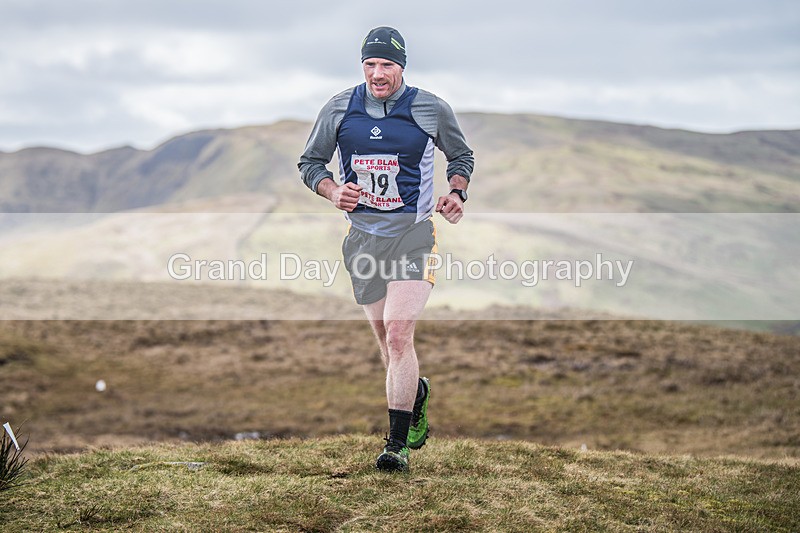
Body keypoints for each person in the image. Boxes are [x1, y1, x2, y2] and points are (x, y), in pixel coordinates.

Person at [298, 26, 474, 472]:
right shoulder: (339, 107)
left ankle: (394, 446)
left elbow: (461, 157)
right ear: (363, 66)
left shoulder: (430, 108)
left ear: (402, 68)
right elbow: (310, 163)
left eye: (387, 65)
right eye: (371, 64)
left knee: (398, 333)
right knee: (385, 341)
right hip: (361, 239)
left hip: (413, 234)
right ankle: (414, 393)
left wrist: (457, 192)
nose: (378, 73)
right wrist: (331, 190)